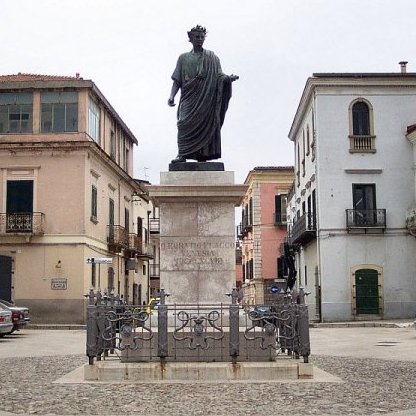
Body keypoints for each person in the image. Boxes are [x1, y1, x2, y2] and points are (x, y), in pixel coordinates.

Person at [168, 25, 239, 163]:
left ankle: (203, 155)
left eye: (202, 37)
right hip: (189, 98)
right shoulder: (183, 58)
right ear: (190, 38)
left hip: (206, 99)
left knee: (206, 123)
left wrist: (227, 79)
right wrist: (172, 96)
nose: (200, 39)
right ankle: (182, 154)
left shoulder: (212, 58)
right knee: (183, 124)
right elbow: (177, 81)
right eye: (197, 37)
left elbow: (219, 76)